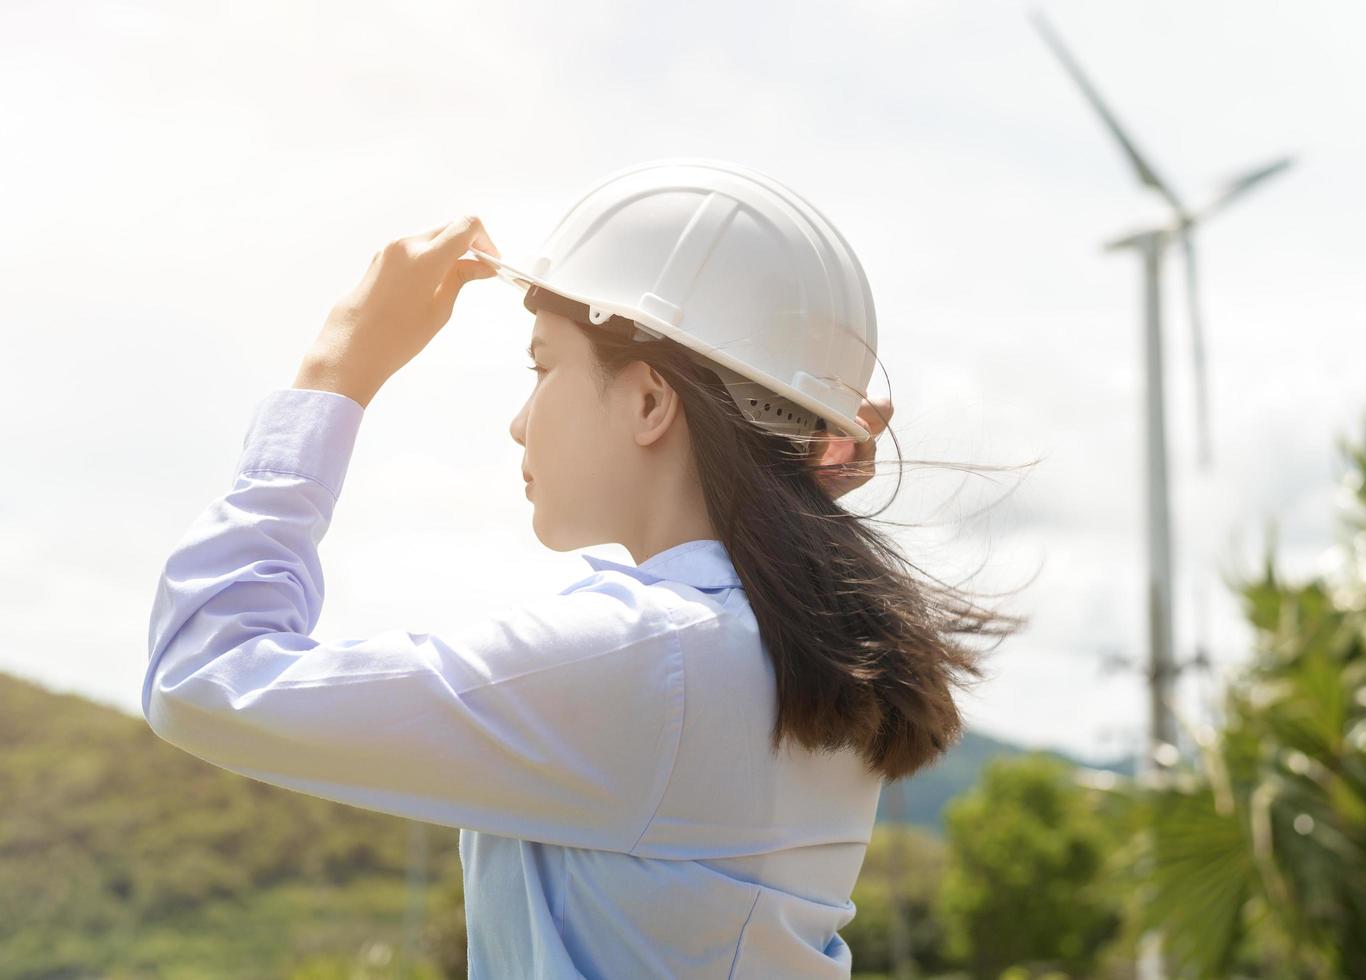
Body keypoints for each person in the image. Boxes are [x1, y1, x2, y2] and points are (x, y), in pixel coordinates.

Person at [144, 163, 1023, 978]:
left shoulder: (664, 659)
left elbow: (204, 679)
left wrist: (335, 372)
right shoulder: (775, 647)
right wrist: (784, 483)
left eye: (542, 367)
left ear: (648, 400)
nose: (519, 424)